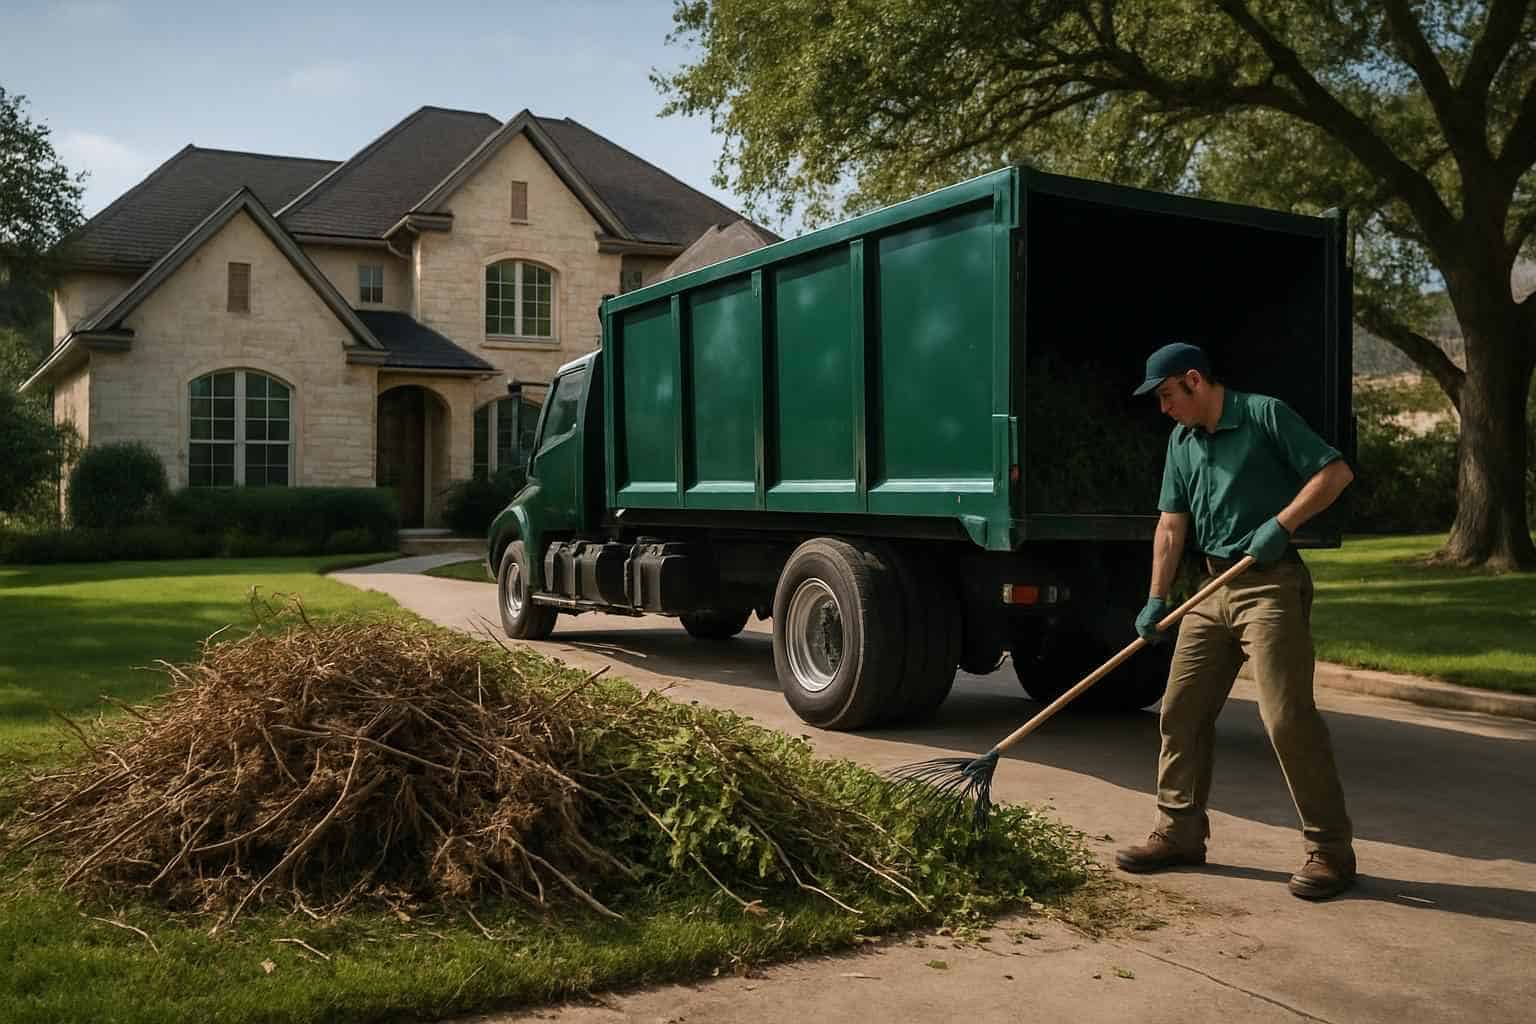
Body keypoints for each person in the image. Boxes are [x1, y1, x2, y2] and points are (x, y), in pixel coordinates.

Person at [1115, 341, 1359, 900]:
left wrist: (1283, 523)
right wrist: (1157, 598)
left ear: (1195, 380)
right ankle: (1179, 832)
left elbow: (1335, 473)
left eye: (1168, 396)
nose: (1164, 409)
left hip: (1269, 584)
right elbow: (1171, 526)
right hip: (1210, 588)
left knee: (1285, 718)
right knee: (1180, 712)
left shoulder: (1263, 414)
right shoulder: (1182, 441)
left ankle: (1331, 850)